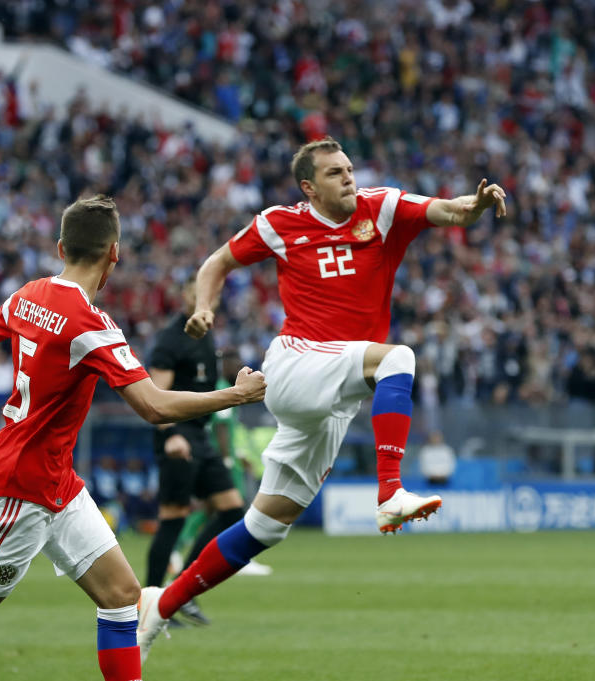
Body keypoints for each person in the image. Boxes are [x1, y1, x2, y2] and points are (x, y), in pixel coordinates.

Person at [137, 137, 506, 659]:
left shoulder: (384, 208)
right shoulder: (279, 224)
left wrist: (479, 204)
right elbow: (215, 263)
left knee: (264, 528)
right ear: (309, 186)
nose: (348, 177)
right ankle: (390, 494)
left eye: (350, 168)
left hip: (334, 395)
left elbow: (451, 210)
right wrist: (204, 308)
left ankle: (160, 605)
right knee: (398, 357)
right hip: (295, 363)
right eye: (334, 173)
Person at [0, 195, 266, 680]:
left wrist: (17, 328)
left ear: (60, 247)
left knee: (120, 597)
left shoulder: (29, 293)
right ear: (113, 253)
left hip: (58, 484)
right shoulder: (92, 325)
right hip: (20, 487)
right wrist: (235, 396)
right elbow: (153, 405)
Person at [144, 281, 270, 628]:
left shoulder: (207, 335)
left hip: (199, 434)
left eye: (211, 298)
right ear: (185, 298)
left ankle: (181, 589)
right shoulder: (171, 340)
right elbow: (154, 395)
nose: (207, 303)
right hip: (176, 435)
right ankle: (151, 601)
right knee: (173, 518)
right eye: (200, 296)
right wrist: (169, 434)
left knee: (231, 509)